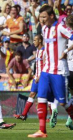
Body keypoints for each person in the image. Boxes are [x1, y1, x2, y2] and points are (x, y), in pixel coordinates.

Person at [28, 6, 73, 138]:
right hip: (46, 70)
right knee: (41, 98)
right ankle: (42, 131)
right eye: (40, 17)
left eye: (44, 17)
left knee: (64, 103)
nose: (41, 20)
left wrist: (65, 51)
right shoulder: (44, 29)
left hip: (59, 71)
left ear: (51, 16)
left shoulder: (60, 28)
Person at [13, 34, 45, 120]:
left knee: (43, 98)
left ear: (40, 41)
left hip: (42, 77)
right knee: (32, 94)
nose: (33, 42)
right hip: (36, 77)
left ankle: (49, 116)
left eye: (35, 40)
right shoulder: (37, 51)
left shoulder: (44, 51)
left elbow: (46, 65)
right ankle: (23, 114)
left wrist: (40, 76)